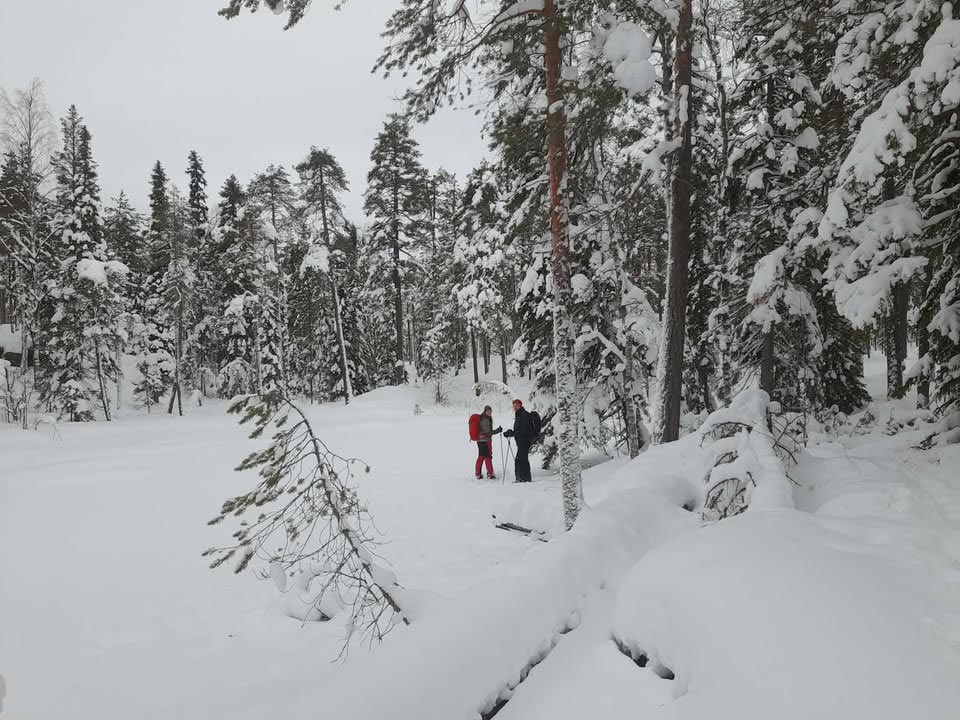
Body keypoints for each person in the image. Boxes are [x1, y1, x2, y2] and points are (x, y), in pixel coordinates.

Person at [503, 399, 534, 483]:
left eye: (516, 405)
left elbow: (523, 431)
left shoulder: (523, 415)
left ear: (520, 405)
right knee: (522, 459)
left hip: (524, 440)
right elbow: (519, 430)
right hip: (522, 441)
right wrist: (511, 433)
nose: (515, 407)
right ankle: (524, 478)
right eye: (514, 406)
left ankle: (522, 478)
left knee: (520, 459)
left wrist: (512, 433)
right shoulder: (520, 414)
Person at [475, 405, 502, 480]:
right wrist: (498, 430)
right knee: (487, 457)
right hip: (485, 441)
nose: (489, 412)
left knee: (482, 457)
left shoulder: (486, 418)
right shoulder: (485, 419)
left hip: (481, 440)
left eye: (490, 411)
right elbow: (488, 432)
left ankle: (479, 473)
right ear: (485, 411)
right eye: (488, 411)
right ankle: (490, 473)